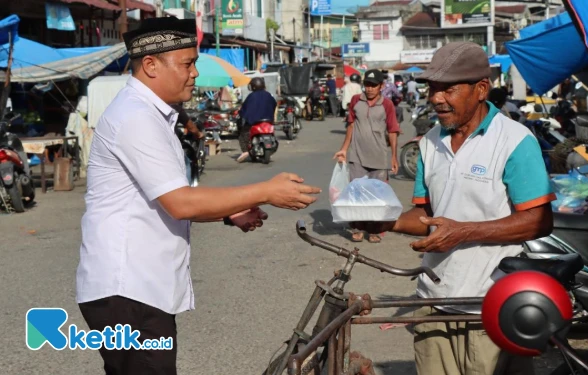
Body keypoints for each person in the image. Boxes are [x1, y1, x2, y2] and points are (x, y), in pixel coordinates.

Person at [76, 18, 321, 375]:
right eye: (187, 64)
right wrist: (266, 191)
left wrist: (228, 212)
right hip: (127, 289)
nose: (194, 73)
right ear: (150, 65)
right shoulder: (135, 116)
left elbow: (172, 195)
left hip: (138, 288)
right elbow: (180, 203)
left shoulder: (154, 114)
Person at [354, 42, 556, 375]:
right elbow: (427, 217)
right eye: (432, 88)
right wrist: (386, 223)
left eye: (448, 89)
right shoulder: (430, 142)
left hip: (490, 305)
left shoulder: (515, 141)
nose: (435, 98)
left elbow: (539, 220)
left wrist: (464, 232)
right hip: (432, 299)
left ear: (481, 89)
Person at [333, 69, 400, 244]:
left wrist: (394, 156)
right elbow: (351, 126)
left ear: (381, 86)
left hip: (379, 156)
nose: (369, 89)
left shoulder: (387, 105)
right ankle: (357, 228)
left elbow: (393, 131)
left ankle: (374, 230)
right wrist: (344, 149)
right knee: (356, 193)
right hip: (357, 155)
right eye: (367, 85)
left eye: (373, 85)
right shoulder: (356, 101)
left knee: (376, 195)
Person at [236, 77, 277, 162]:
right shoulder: (268, 95)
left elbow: (244, 110)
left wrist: (240, 114)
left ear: (253, 87)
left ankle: (245, 151)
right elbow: (274, 104)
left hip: (254, 121)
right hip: (268, 121)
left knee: (243, 133)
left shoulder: (251, 96)